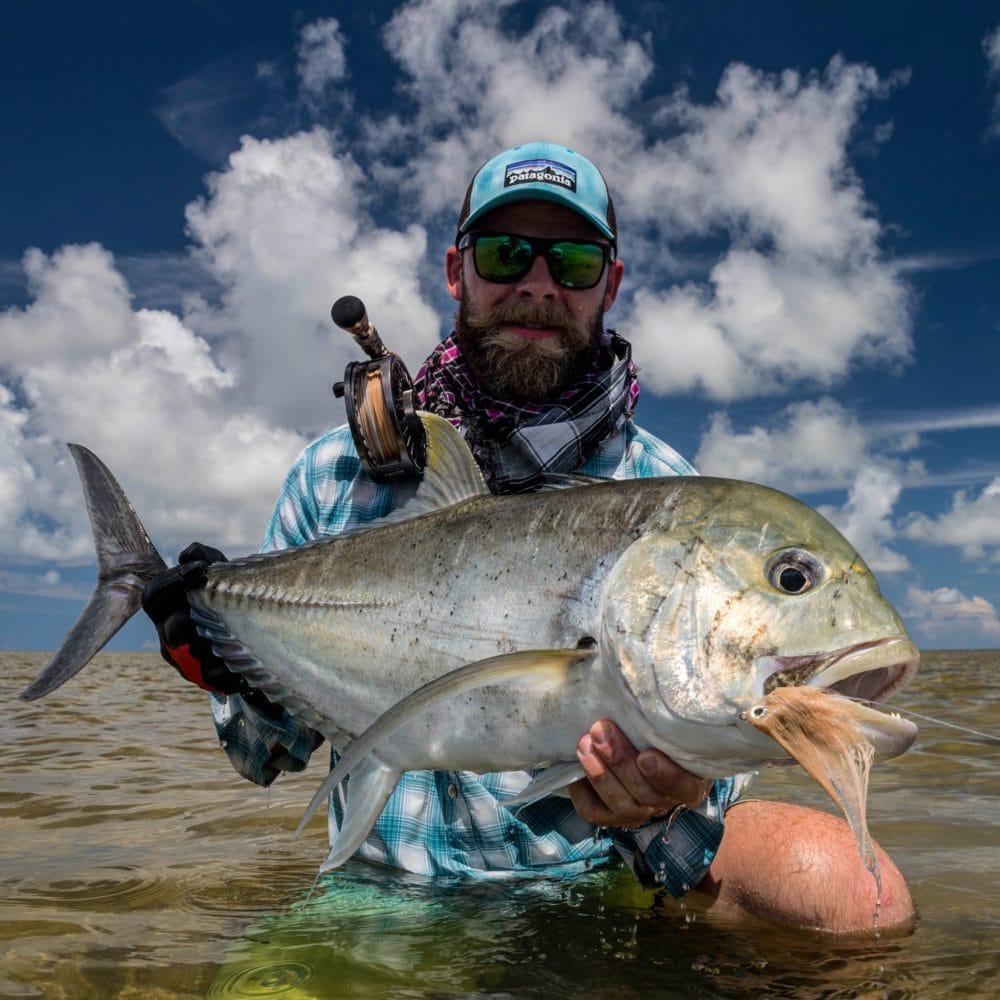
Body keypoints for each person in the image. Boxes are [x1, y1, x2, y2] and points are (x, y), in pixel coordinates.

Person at [144, 141, 914, 933]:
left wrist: (660, 801)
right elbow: (258, 760)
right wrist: (232, 669)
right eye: (507, 254)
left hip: (584, 904)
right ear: (458, 272)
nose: (537, 285)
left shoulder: (665, 485)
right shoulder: (333, 477)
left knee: (863, 903)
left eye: (573, 262)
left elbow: (704, 811)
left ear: (608, 285)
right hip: (375, 897)